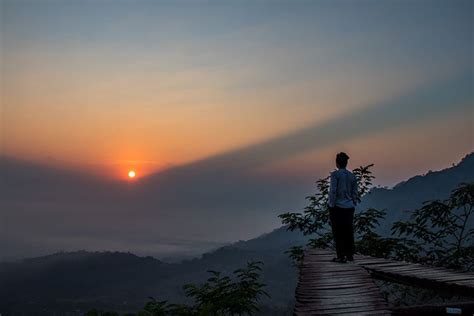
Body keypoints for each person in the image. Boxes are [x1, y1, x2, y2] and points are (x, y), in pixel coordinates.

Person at [328, 152, 358, 263]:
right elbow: (355, 191)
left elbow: (333, 191)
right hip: (349, 207)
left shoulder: (335, 175)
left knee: (338, 231)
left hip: (338, 207)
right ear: (346, 162)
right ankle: (350, 255)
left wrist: (331, 205)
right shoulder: (352, 176)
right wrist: (353, 202)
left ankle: (341, 256)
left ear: (337, 162)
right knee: (348, 230)